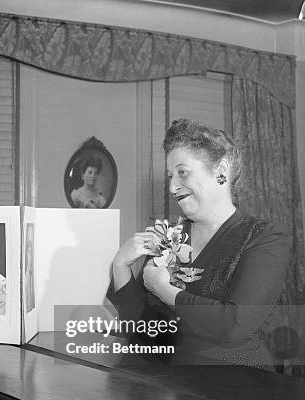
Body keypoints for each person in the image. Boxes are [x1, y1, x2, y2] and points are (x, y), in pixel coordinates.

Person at [107, 118, 290, 367]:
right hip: (171, 387)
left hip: (238, 386)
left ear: (221, 171)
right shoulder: (169, 237)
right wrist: (120, 266)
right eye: (170, 176)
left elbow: (234, 324)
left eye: (182, 172)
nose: (172, 186)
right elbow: (143, 330)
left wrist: (166, 291)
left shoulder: (264, 239)